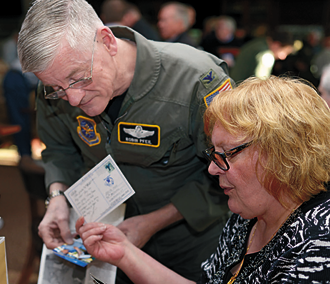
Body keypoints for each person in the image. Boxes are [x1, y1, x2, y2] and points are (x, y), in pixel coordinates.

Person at [17, 0, 234, 282]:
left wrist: (152, 223)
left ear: (107, 41)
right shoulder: (56, 81)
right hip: (105, 243)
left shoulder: (196, 80)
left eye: (79, 78)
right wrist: (58, 197)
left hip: (190, 246)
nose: (72, 98)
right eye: (57, 88)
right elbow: (59, 150)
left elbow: (231, 172)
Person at [77, 75, 330, 283]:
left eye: (225, 154)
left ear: (281, 154)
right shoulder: (246, 220)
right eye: (213, 154)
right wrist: (125, 254)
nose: (212, 169)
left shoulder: (319, 242)